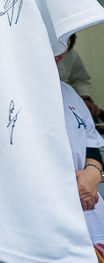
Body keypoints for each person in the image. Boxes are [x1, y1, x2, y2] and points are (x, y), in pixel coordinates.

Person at [60, 80, 104, 256]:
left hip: (86, 203)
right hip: (46, 210)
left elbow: (91, 142)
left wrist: (93, 172)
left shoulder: (68, 91)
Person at [57, 33, 101, 121]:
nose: (61, 53)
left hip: (66, 104)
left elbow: (79, 79)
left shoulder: (71, 55)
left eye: (66, 47)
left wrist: (85, 99)